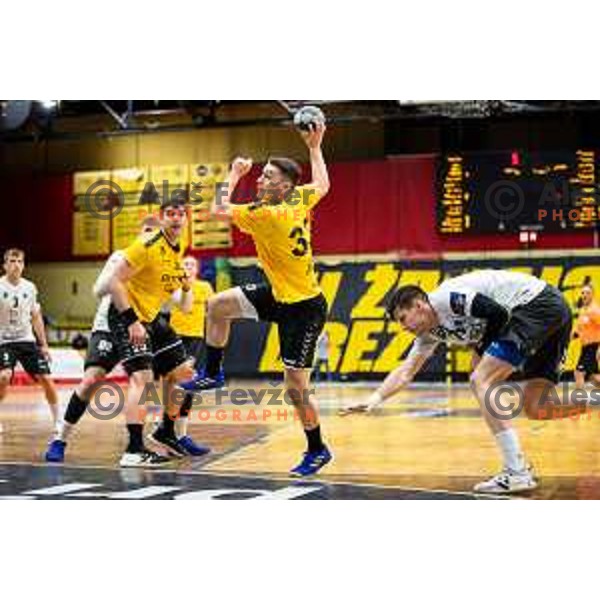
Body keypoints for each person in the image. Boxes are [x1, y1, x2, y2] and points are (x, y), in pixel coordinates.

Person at [182, 121, 331, 476]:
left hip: (304, 308)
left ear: (282, 186)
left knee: (295, 388)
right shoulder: (297, 197)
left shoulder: (266, 214)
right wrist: (315, 146)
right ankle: (214, 373)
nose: (260, 180)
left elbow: (218, 210)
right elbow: (323, 184)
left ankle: (317, 448)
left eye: (266, 176)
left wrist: (233, 174)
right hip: (279, 294)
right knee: (217, 306)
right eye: (259, 175)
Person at [342, 269, 573, 494]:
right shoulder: (428, 334)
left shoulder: (447, 298)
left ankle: (517, 472)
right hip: (553, 310)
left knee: (480, 379)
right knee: (537, 406)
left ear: (419, 305)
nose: (403, 327)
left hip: (535, 304)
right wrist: (374, 399)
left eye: (403, 318)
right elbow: (406, 371)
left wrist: (480, 350)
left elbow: (498, 314)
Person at [0, 248, 59, 434]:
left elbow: (36, 317)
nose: (15, 265)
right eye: (11, 261)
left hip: (26, 340)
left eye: (19, 261)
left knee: (47, 379)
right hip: (4, 340)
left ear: (23, 265)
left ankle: (58, 420)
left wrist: (44, 345)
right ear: (4, 265)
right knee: (3, 377)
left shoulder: (30, 287)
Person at [168, 255, 214, 447]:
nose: (188, 267)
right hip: (174, 335)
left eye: (192, 264)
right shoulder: (173, 286)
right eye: (185, 264)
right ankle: (168, 426)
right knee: (174, 381)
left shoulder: (204, 287)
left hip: (195, 337)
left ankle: (179, 432)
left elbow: (213, 310)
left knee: (187, 381)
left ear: (197, 269)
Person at [572, 285, 600, 389]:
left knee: (579, 373)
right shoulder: (583, 311)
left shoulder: (595, 310)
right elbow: (579, 331)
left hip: (594, 347)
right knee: (593, 377)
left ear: (592, 295)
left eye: (587, 293)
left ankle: (580, 403)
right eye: (583, 293)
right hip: (585, 348)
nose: (584, 295)